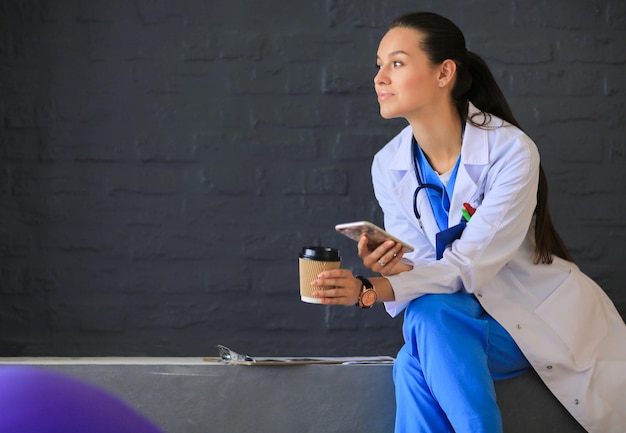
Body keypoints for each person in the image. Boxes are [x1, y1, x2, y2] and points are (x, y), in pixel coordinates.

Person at [310, 11, 626, 433]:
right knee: (415, 352)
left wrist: (369, 291)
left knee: (425, 326)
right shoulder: (388, 164)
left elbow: (469, 266)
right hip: (456, 322)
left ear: (444, 73)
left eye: (397, 63)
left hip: (530, 323)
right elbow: (423, 267)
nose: (379, 78)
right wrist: (394, 266)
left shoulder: (510, 150)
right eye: (379, 65)